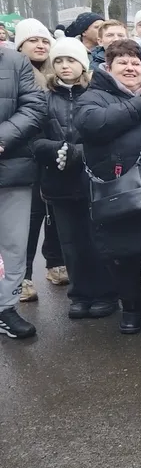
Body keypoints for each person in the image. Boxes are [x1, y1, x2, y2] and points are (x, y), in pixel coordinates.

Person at [75, 38, 141, 334]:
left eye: (135, 62)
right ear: (108, 68)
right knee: (124, 256)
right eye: (122, 62)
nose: (130, 67)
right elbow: (94, 124)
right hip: (119, 191)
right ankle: (132, 310)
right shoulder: (93, 96)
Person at [30, 38, 118, 319]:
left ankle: (105, 293)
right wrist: (56, 149)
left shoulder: (97, 94)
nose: (65, 66)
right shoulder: (44, 98)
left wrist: (79, 152)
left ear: (83, 63)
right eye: (58, 61)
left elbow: (108, 132)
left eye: (71, 60)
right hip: (59, 183)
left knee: (97, 239)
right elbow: (34, 138)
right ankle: (79, 294)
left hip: (94, 181)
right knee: (70, 243)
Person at [15, 19, 66, 300]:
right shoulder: (13, 71)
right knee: (30, 218)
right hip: (24, 154)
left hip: (53, 151)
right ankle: (22, 277)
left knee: (54, 213)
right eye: (33, 40)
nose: (40, 45)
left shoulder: (55, 72)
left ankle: (55, 263)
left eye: (45, 40)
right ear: (20, 45)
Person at [0, 37, 46, 338]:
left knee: (13, 245)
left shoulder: (16, 62)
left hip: (11, 168)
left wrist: (2, 137)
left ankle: (5, 307)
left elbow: (34, 106)